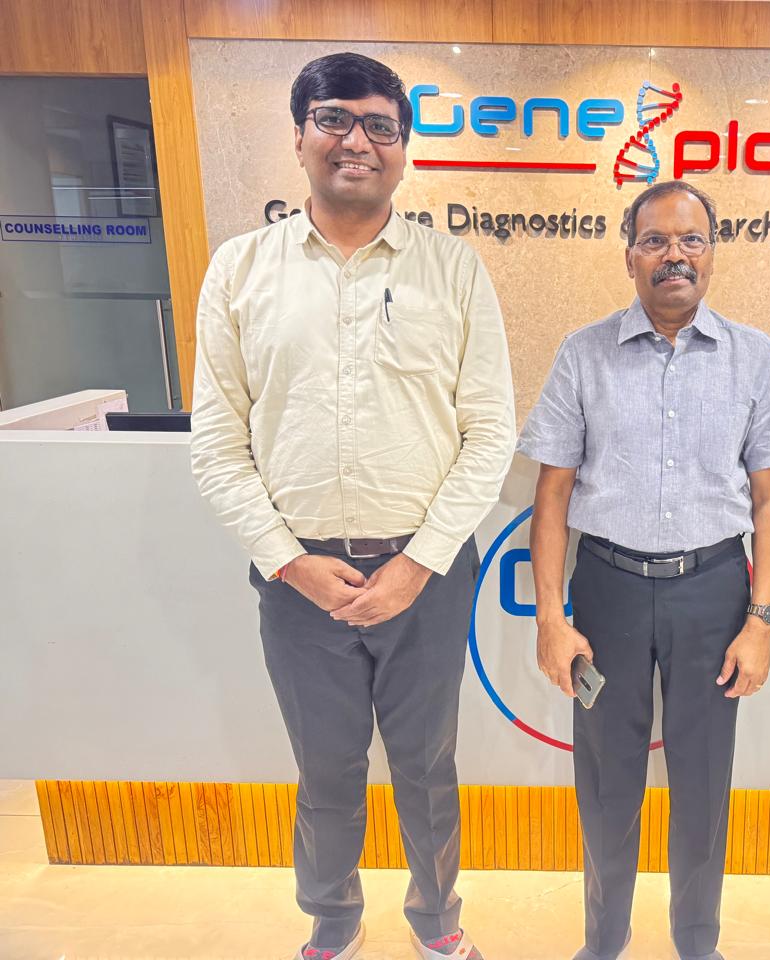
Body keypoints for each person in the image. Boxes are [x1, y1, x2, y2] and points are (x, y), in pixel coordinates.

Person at [190, 52, 515, 960]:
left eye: (380, 126)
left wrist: (418, 564)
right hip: (297, 577)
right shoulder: (240, 270)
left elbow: (490, 432)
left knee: (427, 766)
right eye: (335, 118)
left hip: (427, 573)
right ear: (300, 137)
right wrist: (289, 561)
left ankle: (436, 921)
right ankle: (333, 920)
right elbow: (216, 443)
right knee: (326, 768)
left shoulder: (453, 269)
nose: (357, 141)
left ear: (404, 149)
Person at [518, 180, 770, 960]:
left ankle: (697, 943)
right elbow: (551, 496)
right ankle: (603, 941)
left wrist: (762, 621)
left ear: (712, 255)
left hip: (714, 593)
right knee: (606, 781)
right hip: (607, 591)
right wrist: (551, 618)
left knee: (703, 785)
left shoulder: (754, 357)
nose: (673, 255)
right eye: (654, 240)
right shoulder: (583, 354)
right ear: (630, 257)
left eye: (690, 240)